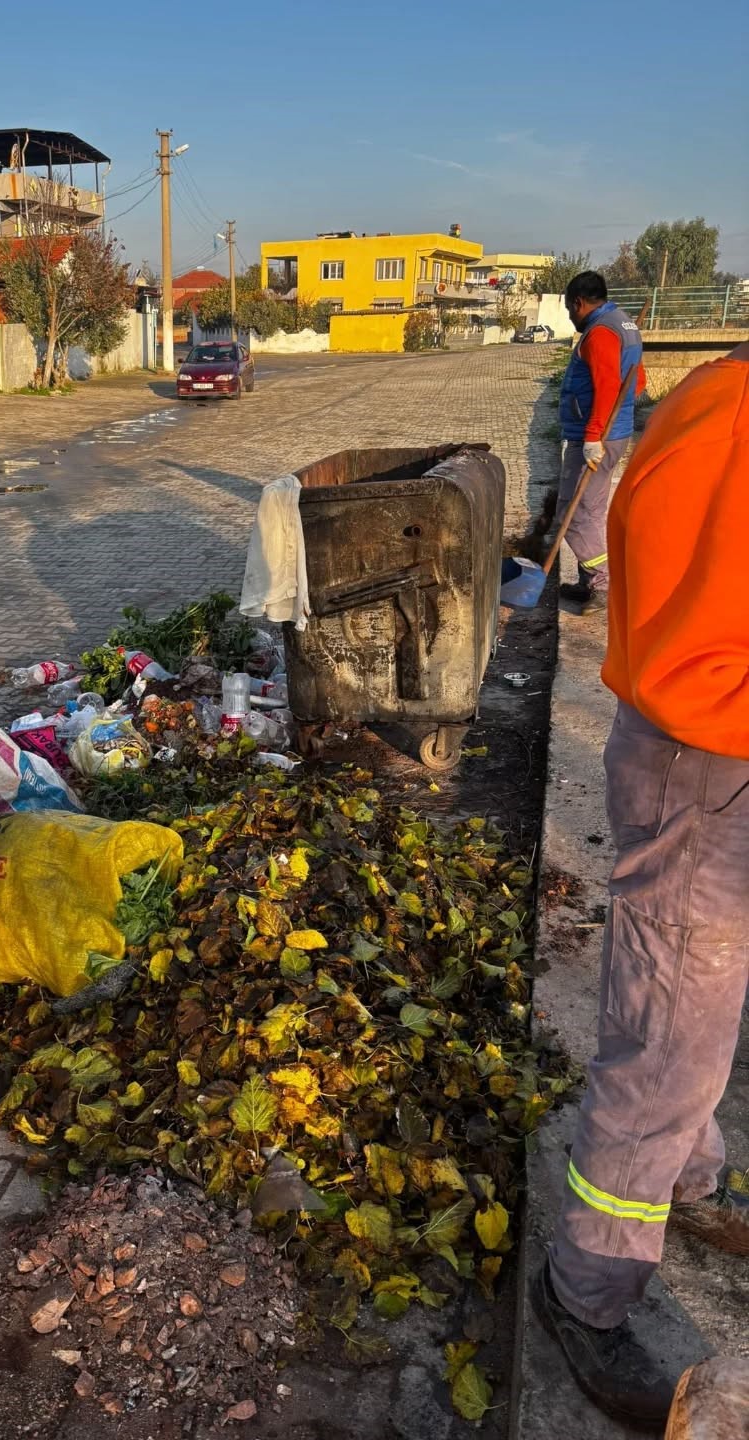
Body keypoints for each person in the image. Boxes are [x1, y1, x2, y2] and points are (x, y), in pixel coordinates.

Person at [532, 343, 749, 1430]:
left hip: (711, 758)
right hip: (708, 762)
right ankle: (587, 1294)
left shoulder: (713, 396)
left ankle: (691, 1178)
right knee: (666, 1038)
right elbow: (688, 645)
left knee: (699, 1021)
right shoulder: (725, 416)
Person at [556, 271, 646, 615]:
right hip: (615, 433)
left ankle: (600, 583)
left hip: (595, 438)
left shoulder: (600, 333)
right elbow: (638, 381)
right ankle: (589, 582)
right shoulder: (623, 323)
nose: (570, 317)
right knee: (590, 511)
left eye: (569, 310)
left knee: (572, 513)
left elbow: (609, 385)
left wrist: (594, 436)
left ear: (579, 303)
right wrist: (618, 419)